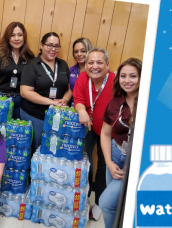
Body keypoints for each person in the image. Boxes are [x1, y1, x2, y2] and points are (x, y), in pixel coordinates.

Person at [99, 59, 142, 228]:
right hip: (115, 156)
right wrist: (109, 162)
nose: (127, 80)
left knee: (105, 203)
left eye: (133, 76)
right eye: (123, 76)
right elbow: (105, 133)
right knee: (114, 205)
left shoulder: (148, 103)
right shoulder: (115, 103)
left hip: (134, 161)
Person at [73, 49, 115, 219]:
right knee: (85, 161)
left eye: (99, 62)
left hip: (110, 132)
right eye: (91, 62)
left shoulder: (116, 80)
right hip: (88, 127)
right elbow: (78, 99)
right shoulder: (82, 77)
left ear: (107, 65)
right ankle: (84, 195)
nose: (94, 66)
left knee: (105, 165)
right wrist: (81, 110)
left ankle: (100, 202)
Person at [20, 32, 72, 153]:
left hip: (57, 116)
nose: (53, 49)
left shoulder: (63, 65)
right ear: (42, 45)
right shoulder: (32, 65)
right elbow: (25, 92)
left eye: (57, 46)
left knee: (53, 147)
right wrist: (51, 102)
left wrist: (65, 100)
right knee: (37, 147)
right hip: (35, 115)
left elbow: (69, 89)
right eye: (49, 45)